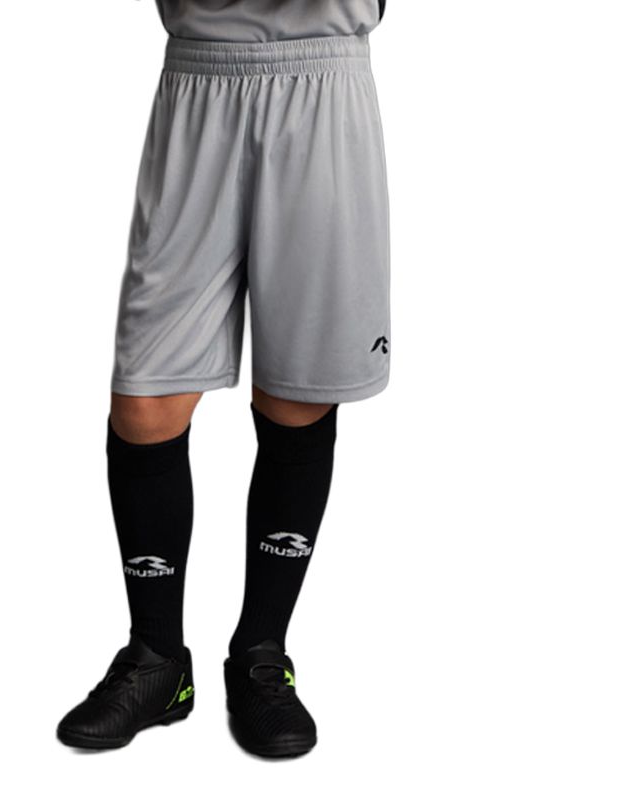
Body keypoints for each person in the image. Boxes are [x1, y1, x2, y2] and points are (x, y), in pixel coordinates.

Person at [56, 0, 390, 758]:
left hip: (320, 74)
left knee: (298, 395)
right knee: (145, 399)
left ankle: (261, 654)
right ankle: (157, 660)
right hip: (199, 78)